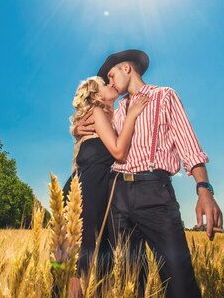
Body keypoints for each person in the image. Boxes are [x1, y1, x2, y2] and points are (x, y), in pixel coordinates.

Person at [74, 49, 223, 298]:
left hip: (154, 192)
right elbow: (98, 139)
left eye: (111, 75)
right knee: (129, 281)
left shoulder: (164, 96)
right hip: (117, 197)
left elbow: (190, 146)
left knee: (179, 280)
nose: (110, 82)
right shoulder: (117, 111)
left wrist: (204, 189)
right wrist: (78, 130)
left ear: (126, 68)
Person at [64, 76, 149, 297]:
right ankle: (63, 286)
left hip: (99, 192)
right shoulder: (97, 113)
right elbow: (119, 152)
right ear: (96, 95)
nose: (110, 84)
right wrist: (132, 115)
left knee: (99, 255)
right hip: (86, 191)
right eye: (104, 83)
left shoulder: (109, 117)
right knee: (77, 251)